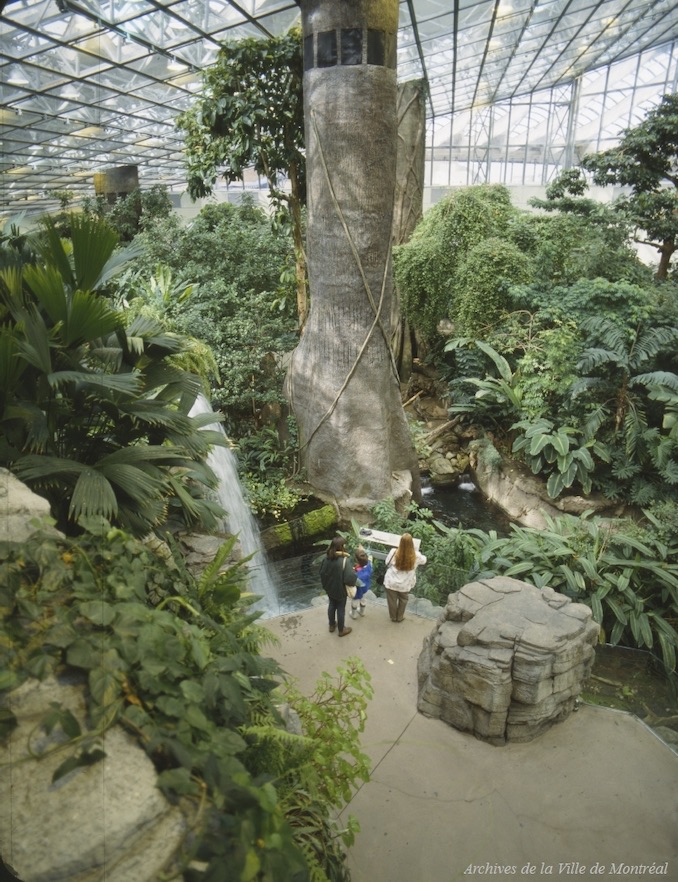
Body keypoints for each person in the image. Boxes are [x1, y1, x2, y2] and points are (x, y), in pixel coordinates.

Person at [383, 533, 427, 623]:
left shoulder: (393, 552)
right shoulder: (416, 555)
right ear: (412, 543)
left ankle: (393, 617)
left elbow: (387, 562)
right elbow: (424, 560)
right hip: (405, 583)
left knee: (392, 600)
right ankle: (399, 617)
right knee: (403, 600)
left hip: (391, 581)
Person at [319, 535, 357, 637]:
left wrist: (326, 586)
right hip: (340, 591)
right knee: (341, 608)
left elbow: (321, 573)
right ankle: (341, 630)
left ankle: (331, 625)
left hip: (329, 589)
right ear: (342, 546)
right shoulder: (345, 561)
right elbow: (349, 578)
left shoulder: (326, 558)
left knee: (331, 605)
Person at [350, 545, 373, 619]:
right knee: (363, 599)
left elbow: (352, 581)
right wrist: (362, 549)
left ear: (356, 560)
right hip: (365, 588)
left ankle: (354, 614)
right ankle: (362, 612)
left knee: (355, 601)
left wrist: (353, 570)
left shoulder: (357, 575)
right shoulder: (369, 564)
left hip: (357, 591)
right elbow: (369, 555)